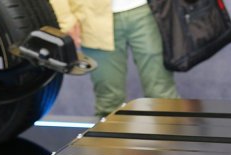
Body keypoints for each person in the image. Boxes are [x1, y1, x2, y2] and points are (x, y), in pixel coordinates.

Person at [49, 0, 179, 118]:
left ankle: (173, 135)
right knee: (109, 102)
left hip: (145, 10)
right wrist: (65, 18)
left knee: (163, 96)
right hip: (91, 17)